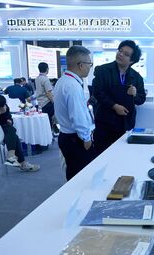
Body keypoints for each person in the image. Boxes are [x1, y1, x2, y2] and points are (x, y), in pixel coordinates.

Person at [93, 40, 146, 154]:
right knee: (102, 155)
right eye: (120, 51)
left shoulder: (136, 77)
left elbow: (141, 99)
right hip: (105, 122)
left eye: (126, 54)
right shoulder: (102, 70)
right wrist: (114, 106)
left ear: (132, 60)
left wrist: (135, 94)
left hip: (125, 124)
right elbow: (97, 92)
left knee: (123, 155)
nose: (120, 54)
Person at [54, 45, 96, 181]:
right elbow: (77, 116)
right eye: (90, 64)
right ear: (80, 65)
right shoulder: (72, 86)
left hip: (69, 137)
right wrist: (86, 138)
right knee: (81, 178)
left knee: (73, 173)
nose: (90, 67)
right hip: (76, 139)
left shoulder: (63, 81)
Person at [0, 95, 40, 171]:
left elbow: (9, 119)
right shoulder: (0, 110)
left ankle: (12, 157)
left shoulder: (4, 107)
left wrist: (8, 118)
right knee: (12, 133)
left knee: (12, 131)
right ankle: (20, 162)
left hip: (3, 131)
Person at [35, 62, 59, 135]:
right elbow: (48, 93)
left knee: (44, 121)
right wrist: (54, 102)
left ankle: (46, 134)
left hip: (39, 103)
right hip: (46, 103)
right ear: (47, 69)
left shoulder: (37, 78)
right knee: (50, 119)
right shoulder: (45, 79)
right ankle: (50, 134)